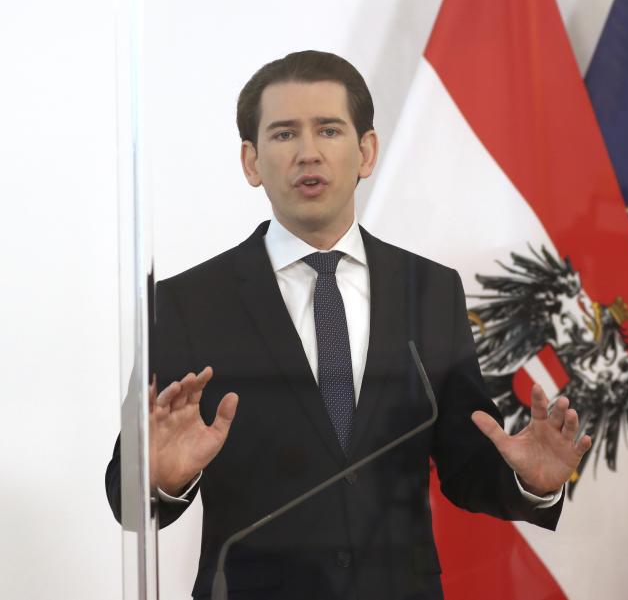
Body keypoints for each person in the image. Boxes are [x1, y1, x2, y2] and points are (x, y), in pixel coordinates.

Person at [104, 50, 591, 600]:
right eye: (284, 134)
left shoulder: (430, 290)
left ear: (365, 151)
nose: (308, 153)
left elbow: (466, 464)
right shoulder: (186, 301)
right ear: (251, 161)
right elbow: (127, 496)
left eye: (329, 130)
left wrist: (531, 482)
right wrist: (163, 480)